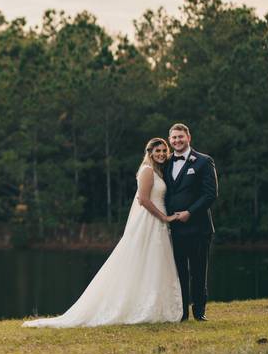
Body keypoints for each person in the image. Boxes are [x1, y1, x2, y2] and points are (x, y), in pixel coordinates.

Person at [22, 138, 183, 328]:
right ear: (149, 152)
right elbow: (144, 200)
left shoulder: (158, 171)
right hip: (150, 220)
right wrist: (164, 218)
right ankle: (140, 306)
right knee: (146, 259)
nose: (162, 154)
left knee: (154, 262)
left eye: (164, 150)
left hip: (157, 222)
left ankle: (155, 305)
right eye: (158, 150)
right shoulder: (147, 170)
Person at [164, 123, 218, 321]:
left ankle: (199, 312)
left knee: (198, 270)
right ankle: (182, 312)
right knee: (179, 273)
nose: (177, 141)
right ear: (170, 140)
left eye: (180, 137)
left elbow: (211, 194)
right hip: (174, 228)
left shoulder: (204, 161)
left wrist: (190, 212)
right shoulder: (166, 162)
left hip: (199, 227)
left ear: (188, 138)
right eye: (174, 138)